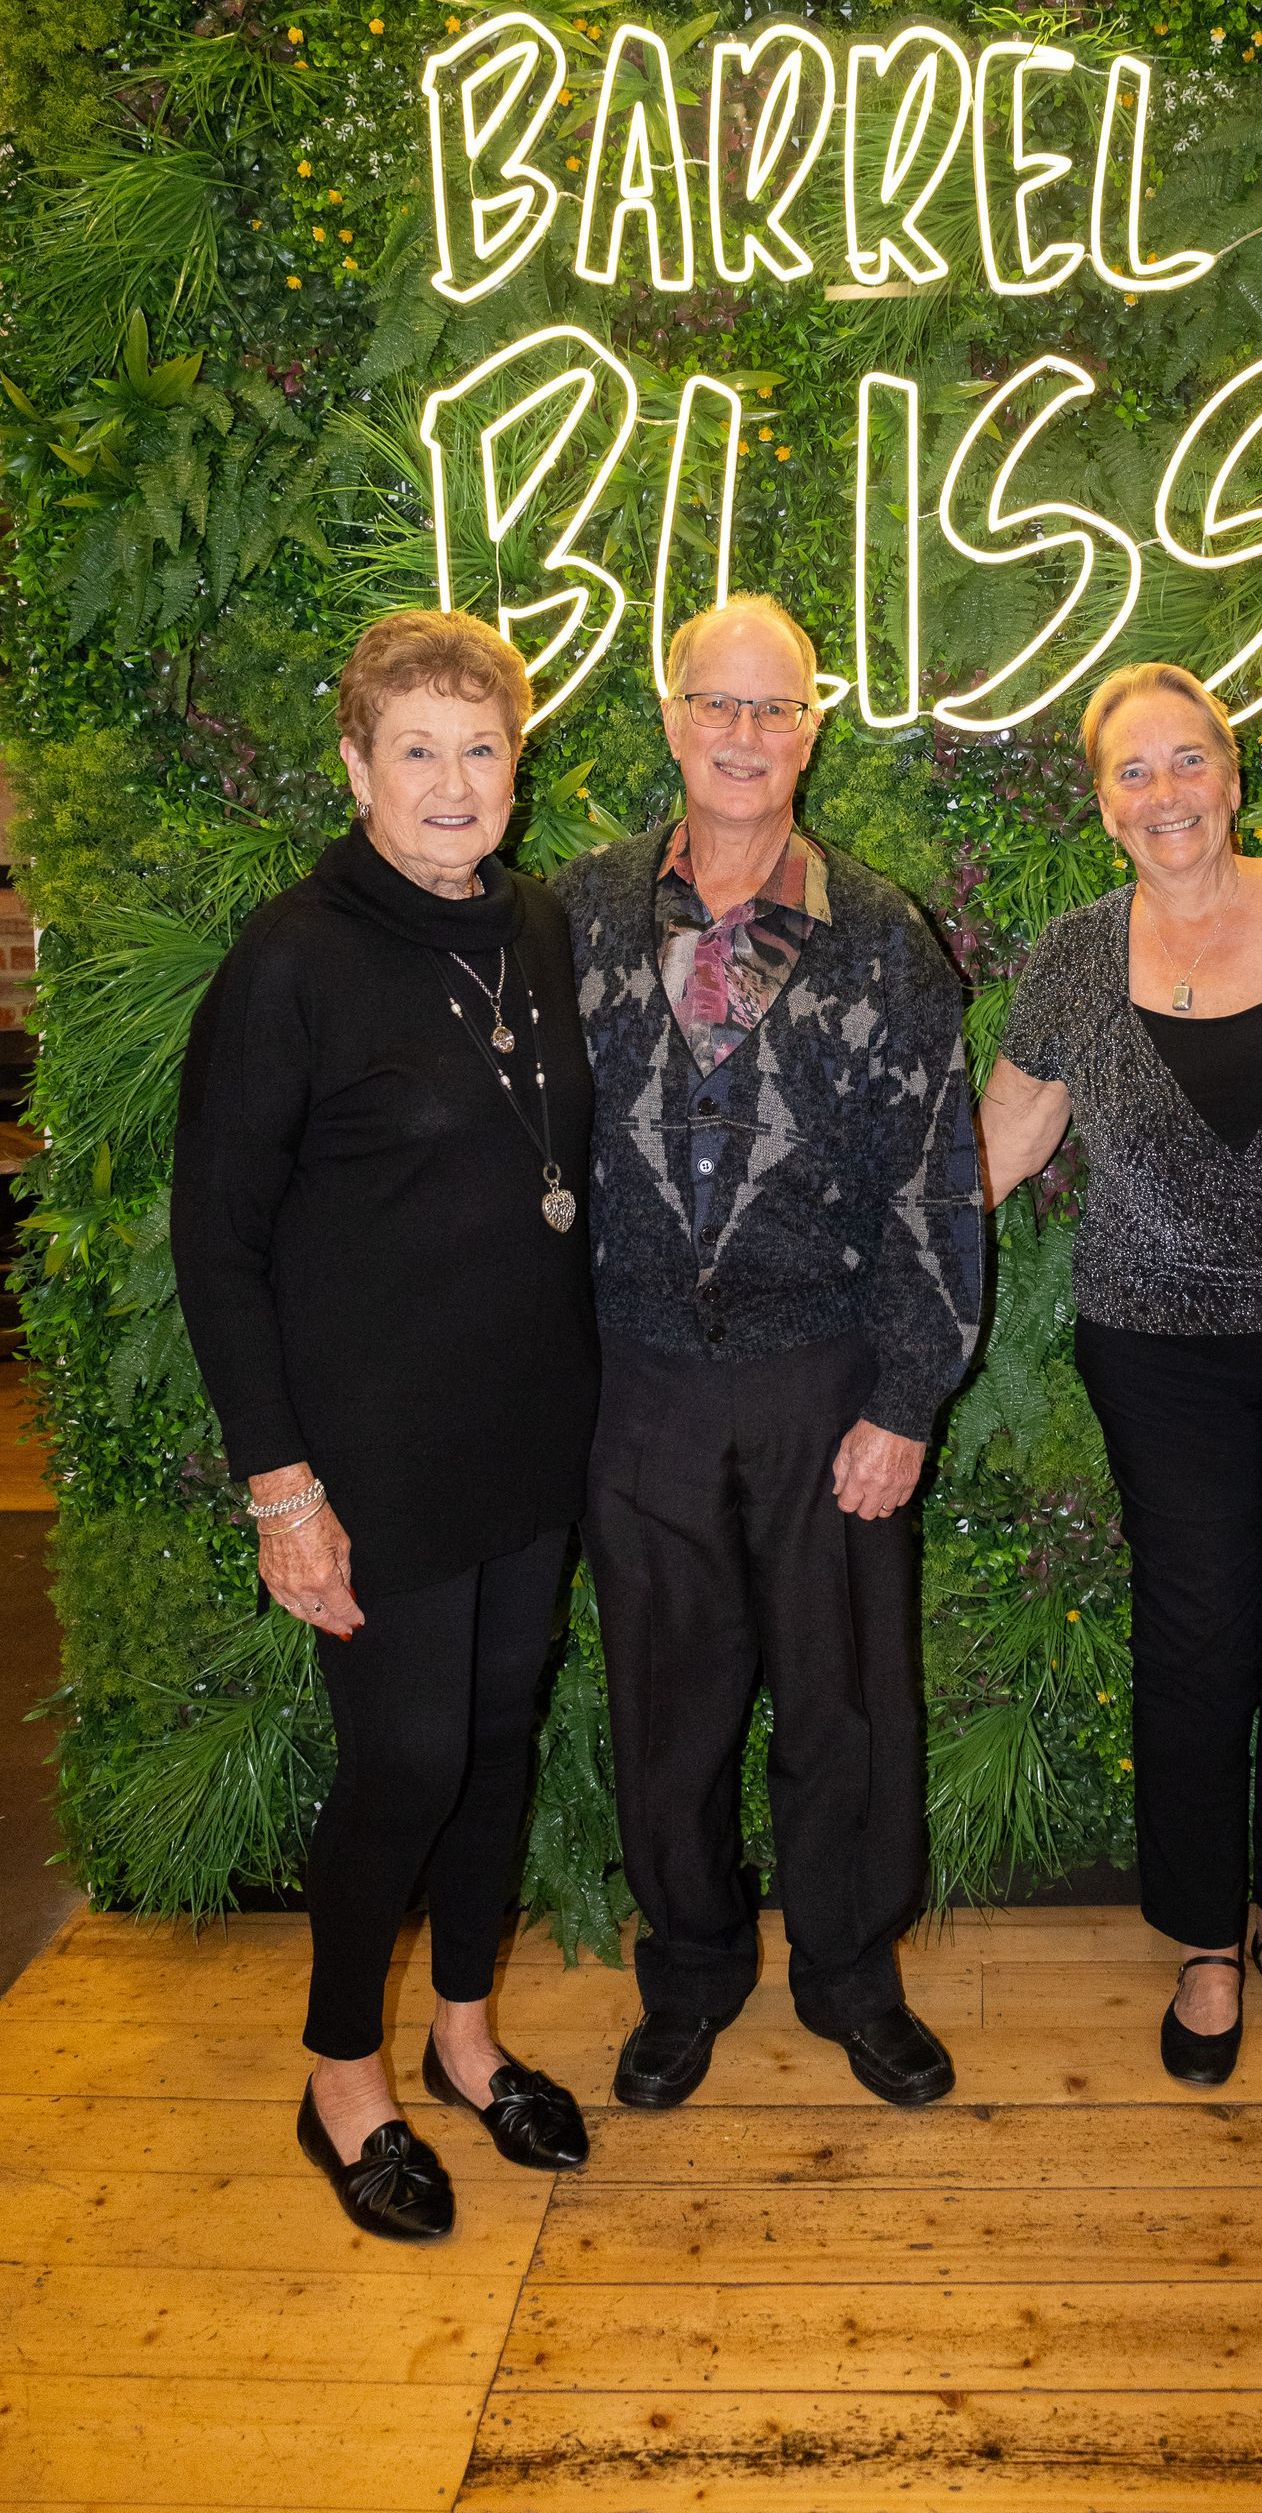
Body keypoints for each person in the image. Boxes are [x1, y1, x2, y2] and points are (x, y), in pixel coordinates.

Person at [172, 610, 598, 2243]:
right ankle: (341, 2070)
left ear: (516, 768)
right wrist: (282, 1488)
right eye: (416, 749)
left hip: (528, 1428)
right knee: (407, 1757)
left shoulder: (535, 926)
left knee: (494, 1744)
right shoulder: (292, 957)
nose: (452, 781)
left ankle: (466, 2037)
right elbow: (218, 1242)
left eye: (481, 748)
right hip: (370, 1455)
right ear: (356, 767)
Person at [551, 593, 981, 2112]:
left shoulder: (882, 934)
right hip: (637, 1384)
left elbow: (938, 1174)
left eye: (773, 707)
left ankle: (853, 1979)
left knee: (846, 1703)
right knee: (666, 1706)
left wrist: (908, 1397)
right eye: (717, 704)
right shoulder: (578, 912)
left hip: (825, 1381)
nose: (744, 734)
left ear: (812, 728)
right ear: (671, 717)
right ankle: (689, 1975)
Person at [977, 661, 1262, 2084]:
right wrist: (854, 1261)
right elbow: (1000, 1145)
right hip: (1157, 1353)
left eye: (1186, 761)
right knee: (1196, 1635)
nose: (1163, 793)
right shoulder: (1075, 952)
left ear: (1233, 775)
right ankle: (1206, 1941)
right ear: (1104, 805)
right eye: (1132, 771)